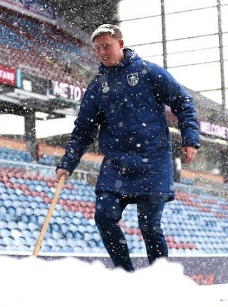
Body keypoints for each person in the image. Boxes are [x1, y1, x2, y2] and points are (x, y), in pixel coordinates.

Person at [56, 24, 200, 272]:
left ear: (120, 44)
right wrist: (67, 163)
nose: (102, 52)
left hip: (153, 161)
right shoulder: (97, 87)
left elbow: (183, 102)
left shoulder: (149, 72)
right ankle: (125, 275)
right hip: (116, 164)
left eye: (107, 46)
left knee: (150, 226)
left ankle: (160, 279)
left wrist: (190, 138)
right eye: (98, 48)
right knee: (104, 217)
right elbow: (83, 130)